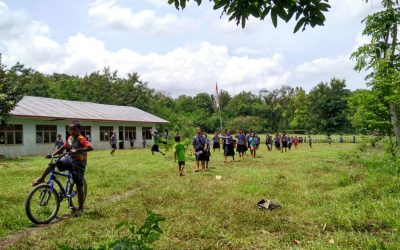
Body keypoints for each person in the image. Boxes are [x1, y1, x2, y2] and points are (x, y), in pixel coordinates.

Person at [31, 121, 93, 215]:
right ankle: (41, 179)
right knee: (53, 164)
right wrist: (52, 154)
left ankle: (80, 209)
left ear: (79, 130)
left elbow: (90, 148)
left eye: (74, 129)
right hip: (69, 159)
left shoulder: (81, 138)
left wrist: (78, 150)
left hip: (79, 163)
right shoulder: (70, 138)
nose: (72, 131)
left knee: (79, 185)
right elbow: (62, 148)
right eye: (70, 129)